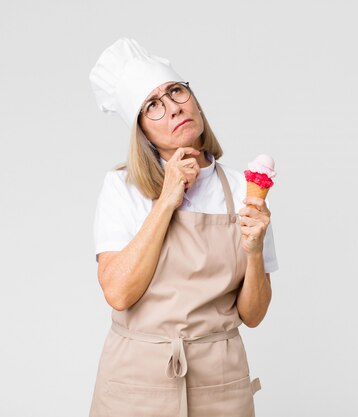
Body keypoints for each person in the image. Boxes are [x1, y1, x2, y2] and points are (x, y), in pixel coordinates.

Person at [87, 38, 278, 417]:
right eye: (153, 105)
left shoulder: (244, 190)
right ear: (141, 130)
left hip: (219, 379)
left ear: (194, 100)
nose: (172, 107)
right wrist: (166, 201)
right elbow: (119, 293)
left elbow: (253, 316)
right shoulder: (122, 188)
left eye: (176, 91)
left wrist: (254, 252)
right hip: (135, 382)